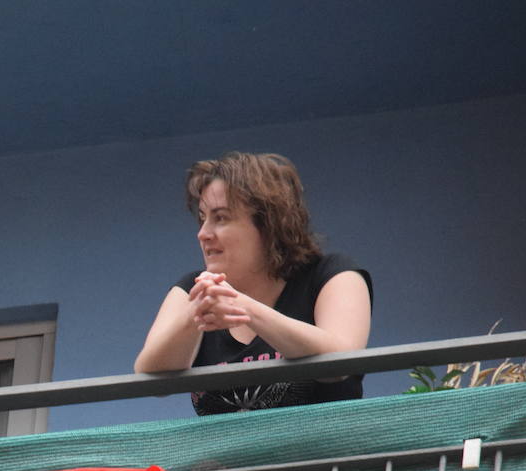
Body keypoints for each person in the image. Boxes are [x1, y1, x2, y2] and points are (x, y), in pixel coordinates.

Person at [134, 152, 372, 414]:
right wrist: (193, 318)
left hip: (327, 453)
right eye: (203, 218)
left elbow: (340, 365)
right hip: (225, 456)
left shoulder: (332, 274)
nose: (203, 234)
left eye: (221, 217)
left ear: (268, 224)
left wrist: (246, 310)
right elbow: (152, 380)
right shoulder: (195, 290)